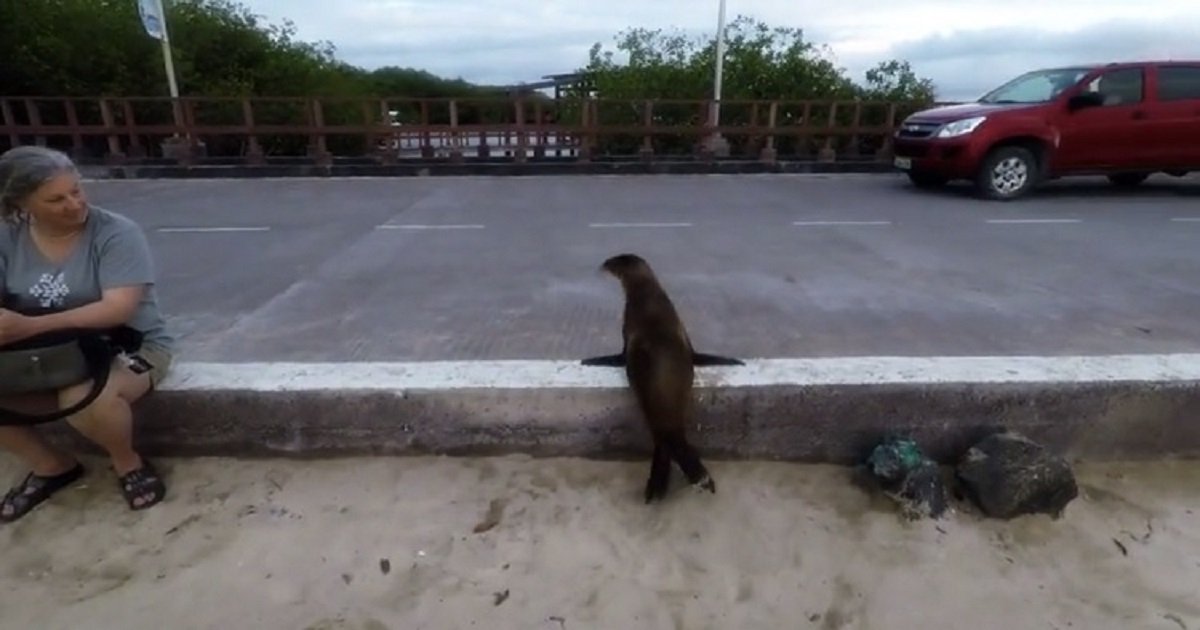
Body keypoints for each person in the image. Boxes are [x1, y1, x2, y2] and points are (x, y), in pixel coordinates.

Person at [0, 145, 176, 523]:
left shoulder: (115, 232)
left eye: (76, 190)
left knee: (86, 396)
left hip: (122, 342)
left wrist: (31, 325)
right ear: (22, 203)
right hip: (38, 351)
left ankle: (127, 463)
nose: (74, 204)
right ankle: (51, 465)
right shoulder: (6, 237)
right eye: (56, 199)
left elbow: (118, 308)